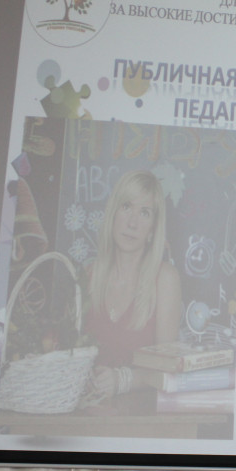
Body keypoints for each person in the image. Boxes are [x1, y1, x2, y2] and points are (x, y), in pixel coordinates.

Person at [85, 170, 181, 398]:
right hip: (87, 411)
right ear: (113, 212)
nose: (132, 223)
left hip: (141, 415)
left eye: (145, 213)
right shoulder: (89, 276)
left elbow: (169, 369)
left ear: (153, 228)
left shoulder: (165, 279)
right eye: (126, 207)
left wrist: (124, 380)